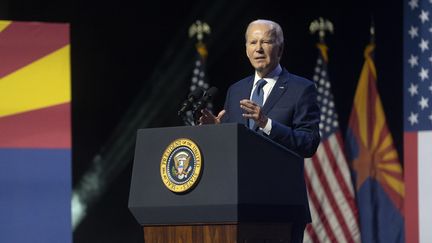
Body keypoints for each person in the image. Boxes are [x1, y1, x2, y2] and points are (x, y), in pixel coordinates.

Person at [199, 19, 321, 242]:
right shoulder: (236, 91)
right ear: (246, 50)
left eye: (266, 41)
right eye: (253, 42)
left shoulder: (301, 89)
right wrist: (217, 132)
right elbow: (236, 144)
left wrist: (266, 123)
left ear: (280, 48)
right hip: (238, 206)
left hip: (281, 207)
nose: (258, 48)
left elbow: (309, 143)